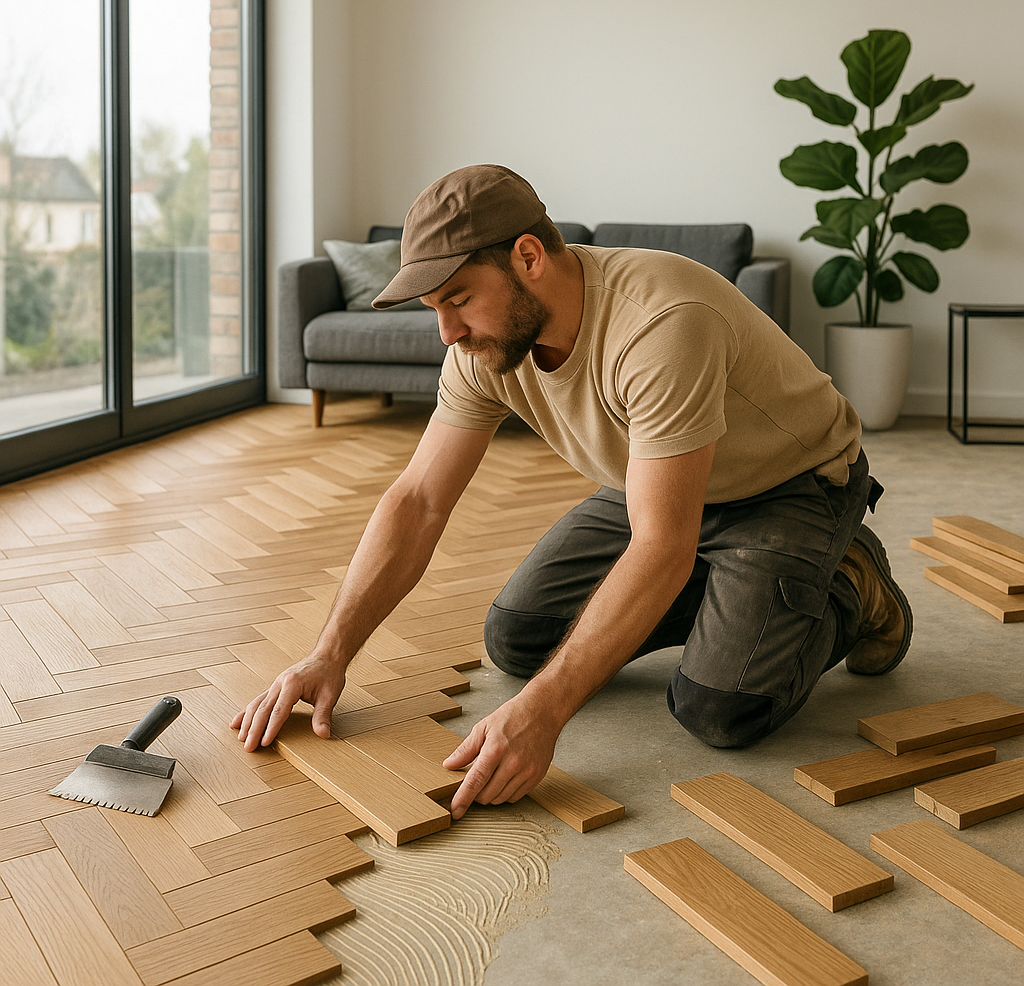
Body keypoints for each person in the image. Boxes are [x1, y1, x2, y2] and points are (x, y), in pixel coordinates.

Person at [232, 164, 913, 820]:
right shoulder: (480, 349)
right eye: (435, 309)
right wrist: (330, 653)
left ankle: (853, 585)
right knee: (519, 640)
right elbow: (418, 501)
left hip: (787, 486)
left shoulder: (659, 321)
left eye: (460, 299)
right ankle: (737, 595)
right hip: (651, 481)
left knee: (720, 708)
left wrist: (543, 714)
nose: (448, 332)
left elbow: (661, 545)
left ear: (529, 257)